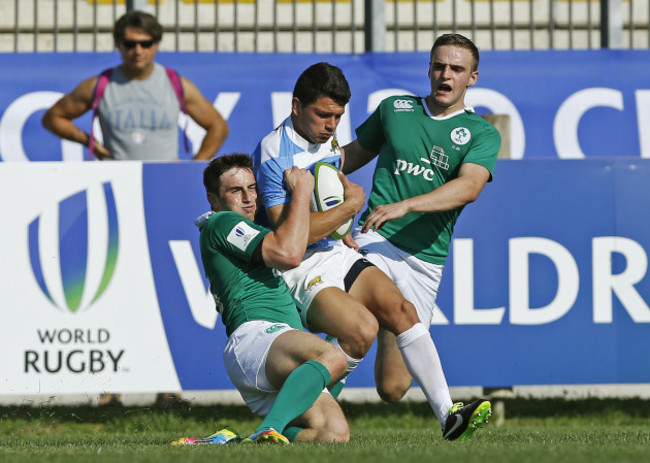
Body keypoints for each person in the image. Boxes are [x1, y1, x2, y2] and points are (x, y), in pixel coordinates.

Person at [253, 61, 490, 441]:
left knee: (400, 312)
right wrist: (347, 210)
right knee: (360, 331)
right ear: (296, 106)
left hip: (335, 249)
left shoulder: (326, 138)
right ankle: (275, 425)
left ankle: (448, 416)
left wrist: (342, 225)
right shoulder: (275, 152)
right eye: (323, 115)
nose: (331, 125)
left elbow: (326, 196)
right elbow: (288, 238)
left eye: (338, 116)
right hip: (301, 265)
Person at [341, 33, 499, 440]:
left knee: (392, 388)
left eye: (456, 69)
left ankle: (384, 320)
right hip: (376, 239)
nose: (445, 75)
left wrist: (409, 204)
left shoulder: (480, 133)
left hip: (424, 261)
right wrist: (305, 165)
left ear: (472, 78)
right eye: (438, 66)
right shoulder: (395, 109)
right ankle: (301, 409)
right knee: (350, 323)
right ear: (429, 69)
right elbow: (352, 155)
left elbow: (469, 188)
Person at [173, 153, 349, 445]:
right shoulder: (223, 223)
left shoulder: (256, 231)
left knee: (333, 434)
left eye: (252, 188)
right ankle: (267, 431)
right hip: (255, 338)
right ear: (214, 201)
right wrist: (303, 192)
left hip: (275, 352)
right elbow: (290, 254)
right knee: (331, 356)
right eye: (235, 191)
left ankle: (231, 442)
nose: (248, 198)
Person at [42, 10, 228, 161]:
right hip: (115, 181)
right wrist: (88, 141)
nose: (138, 51)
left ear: (156, 44)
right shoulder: (100, 85)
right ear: (118, 44)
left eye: (145, 43)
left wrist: (193, 165)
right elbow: (53, 117)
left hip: (165, 181)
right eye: (130, 44)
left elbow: (218, 126)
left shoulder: (176, 84)